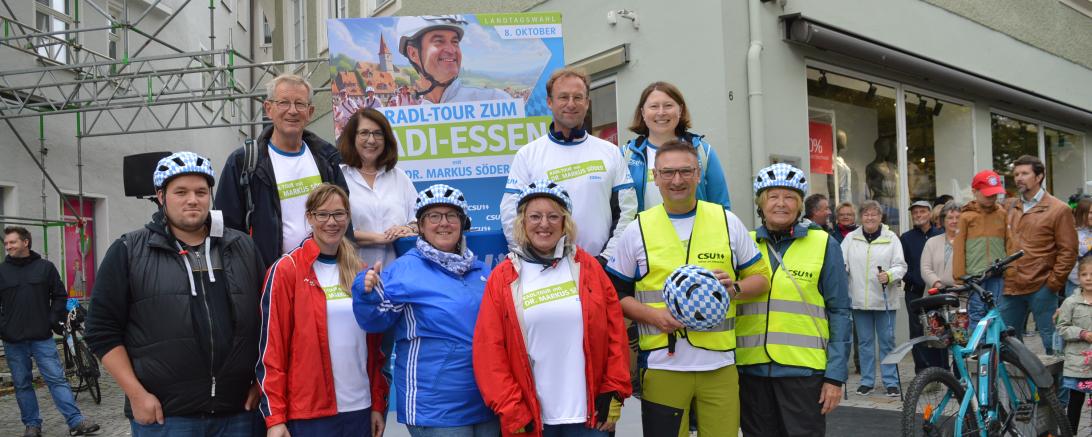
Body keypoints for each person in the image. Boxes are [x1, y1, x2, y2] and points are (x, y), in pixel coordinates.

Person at [85, 152, 266, 436]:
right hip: (166, 416)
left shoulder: (242, 247)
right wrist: (136, 395)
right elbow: (100, 331)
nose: (192, 199)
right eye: (180, 192)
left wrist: (261, 382)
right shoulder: (128, 251)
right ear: (160, 196)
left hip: (239, 412)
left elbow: (269, 321)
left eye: (201, 191)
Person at [604, 139, 771, 437]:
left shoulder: (727, 221)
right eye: (668, 173)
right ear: (655, 177)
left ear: (698, 175)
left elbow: (761, 278)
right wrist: (653, 317)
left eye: (685, 171)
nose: (677, 180)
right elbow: (614, 295)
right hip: (662, 365)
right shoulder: (637, 228)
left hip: (719, 365)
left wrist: (734, 289)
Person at [473, 180, 631, 436]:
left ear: (565, 222)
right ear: (522, 222)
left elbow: (616, 336)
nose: (544, 224)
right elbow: (489, 351)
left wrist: (614, 390)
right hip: (532, 419)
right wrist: (511, 409)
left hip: (590, 416)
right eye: (535, 216)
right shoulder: (504, 277)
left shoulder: (588, 268)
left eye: (553, 216)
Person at [354, 184, 499, 436]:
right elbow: (375, 321)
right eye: (434, 216)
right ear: (420, 226)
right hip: (436, 409)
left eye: (451, 216)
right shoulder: (404, 271)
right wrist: (366, 294)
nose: (443, 223)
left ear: (463, 223)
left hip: (486, 402)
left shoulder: (481, 271)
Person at [257, 184, 388, 437]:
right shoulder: (287, 270)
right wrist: (275, 418)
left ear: (348, 217)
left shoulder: (362, 272)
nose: (332, 222)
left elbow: (375, 349)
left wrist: (377, 404)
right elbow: (271, 352)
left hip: (359, 409)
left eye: (339, 214)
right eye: (322, 214)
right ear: (309, 217)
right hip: (310, 414)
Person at [737, 163, 851, 437]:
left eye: (789, 197)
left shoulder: (824, 244)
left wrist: (835, 377)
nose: (781, 204)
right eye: (773, 197)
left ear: (800, 205)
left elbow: (839, 311)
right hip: (751, 371)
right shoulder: (744, 243)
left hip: (803, 373)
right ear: (761, 204)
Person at [216, 73, 352, 267]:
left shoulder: (327, 159)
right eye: (284, 103)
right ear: (269, 109)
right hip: (269, 276)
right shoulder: (243, 162)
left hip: (326, 272)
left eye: (300, 104)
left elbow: (345, 219)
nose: (292, 111)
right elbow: (227, 231)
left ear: (310, 111)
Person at [501, 68, 636, 262]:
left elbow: (627, 211)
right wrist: (533, 260)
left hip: (601, 266)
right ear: (549, 102)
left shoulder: (611, 152)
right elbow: (510, 214)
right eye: (563, 97)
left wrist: (607, 259)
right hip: (547, 269)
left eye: (578, 97)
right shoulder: (527, 154)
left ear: (587, 103)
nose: (571, 104)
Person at [1, 227, 100, 437]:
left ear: (25, 242)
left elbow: (59, 296)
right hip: (13, 340)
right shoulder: (2, 271)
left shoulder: (45, 268)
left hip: (42, 337)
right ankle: (32, 426)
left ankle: (75, 421)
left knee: (56, 379)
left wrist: (51, 320)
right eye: (6, 243)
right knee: (22, 384)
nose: (7, 246)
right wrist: (4, 327)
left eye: (12, 242)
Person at [1002, 155, 1077, 354]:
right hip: (1011, 286)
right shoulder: (1009, 207)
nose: (1019, 178)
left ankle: (1059, 385)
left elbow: (1068, 251)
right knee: (1009, 344)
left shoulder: (1058, 209)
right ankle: (1022, 385)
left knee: (1051, 342)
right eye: (1016, 174)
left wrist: (1053, 282)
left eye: (1024, 173)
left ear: (1039, 176)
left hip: (1042, 285)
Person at [621, 81, 730, 212]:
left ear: (680, 110)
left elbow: (721, 206)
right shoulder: (625, 155)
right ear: (643, 113)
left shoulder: (702, 152)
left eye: (668, 105)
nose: (661, 112)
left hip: (696, 232)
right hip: (644, 232)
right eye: (654, 106)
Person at [337, 107, 419, 267]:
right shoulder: (338, 177)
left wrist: (408, 229)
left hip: (400, 273)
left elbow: (419, 219)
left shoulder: (399, 177)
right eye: (364, 133)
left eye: (378, 133)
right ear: (352, 137)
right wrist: (379, 238)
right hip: (353, 273)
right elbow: (331, 227)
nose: (371, 140)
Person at [842, 200, 907, 397]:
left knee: (887, 342)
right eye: (866, 214)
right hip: (859, 300)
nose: (870, 218)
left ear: (880, 217)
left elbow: (901, 265)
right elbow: (841, 262)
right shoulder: (851, 239)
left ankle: (891, 382)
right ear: (861, 217)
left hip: (884, 299)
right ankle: (867, 381)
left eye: (874, 214)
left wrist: (889, 275)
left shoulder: (891, 238)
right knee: (865, 343)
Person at [396, 15, 512, 104]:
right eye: (439, 41)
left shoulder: (495, 100)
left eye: (455, 42)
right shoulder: (411, 116)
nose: (452, 50)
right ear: (413, 54)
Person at [953, 169, 1009, 329]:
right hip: (975, 276)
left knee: (996, 311)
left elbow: (1010, 242)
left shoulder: (1002, 214)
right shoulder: (966, 217)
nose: (992, 198)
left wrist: (1011, 271)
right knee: (976, 311)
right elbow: (959, 248)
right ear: (974, 192)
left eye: (995, 194)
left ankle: (994, 349)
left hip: (997, 273)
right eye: (987, 194)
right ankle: (980, 348)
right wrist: (959, 277)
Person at [900, 200, 944, 374]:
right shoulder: (906, 237)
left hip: (937, 290)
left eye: (922, 212)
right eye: (915, 213)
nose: (918, 215)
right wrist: (913, 279)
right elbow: (901, 264)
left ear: (930, 214)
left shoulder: (940, 234)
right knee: (918, 332)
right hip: (915, 292)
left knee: (939, 329)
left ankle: (941, 370)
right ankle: (922, 371)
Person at [919, 201, 962, 369]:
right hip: (934, 297)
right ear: (943, 220)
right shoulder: (932, 242)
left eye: (958, 217)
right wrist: (937, 283)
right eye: (950, 217)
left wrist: (959, 285)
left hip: (959, 297)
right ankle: (939, 376)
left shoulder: (967, 242)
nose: (954, 221)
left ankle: (961, 379)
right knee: (937, 340)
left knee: (960, 340)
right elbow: (925, 268)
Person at [1055, 256, 1092, 432]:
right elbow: (1062, 328)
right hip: (1078, 366)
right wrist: (1082, 334)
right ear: (1078, 277)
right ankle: (1070, 433)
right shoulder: (1070, 302)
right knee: (1076, 401)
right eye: (1084, 274)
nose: (1089, 278)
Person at [1065, 197, 1092, 297]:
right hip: (1075, 286)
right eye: (1090, 213)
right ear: (1081, 213)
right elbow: (1066, 260)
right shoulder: (1071, 233)